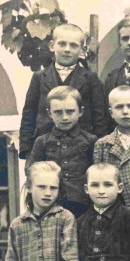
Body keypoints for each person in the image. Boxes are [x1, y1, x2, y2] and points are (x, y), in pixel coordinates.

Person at [18, 22, 107, 157]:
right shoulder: (39, 77)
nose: (67, 49)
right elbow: (29, 113)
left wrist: (100, 151)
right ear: (52, 46)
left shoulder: (90, 78)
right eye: (62, 44)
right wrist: (27, 151)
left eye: (73, 45)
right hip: (46, 148)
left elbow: (99, 116)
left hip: (81, 149)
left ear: (82, 50)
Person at [26, 86, 98, 218]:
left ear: (80, 111)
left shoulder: (90, 141)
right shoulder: (42, 141)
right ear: (49, 113)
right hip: (51, 203)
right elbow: (31, 172)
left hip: (82, 205)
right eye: (58, 112)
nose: (64, 117)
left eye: (70, 111)